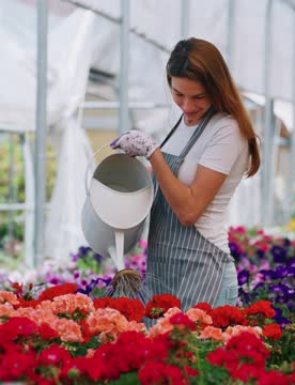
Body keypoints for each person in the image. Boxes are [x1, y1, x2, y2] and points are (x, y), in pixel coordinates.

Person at [111, 38, 260, 309]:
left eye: (199, 97)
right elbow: (168, 179)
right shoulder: (177, 118)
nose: (188, 106)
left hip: (204, 271)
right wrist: (126, 176)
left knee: (195, 349)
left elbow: (189, 211)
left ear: (217, 88)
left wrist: (153, 153)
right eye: (179, 94)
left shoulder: (227, 130)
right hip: (161, 270)